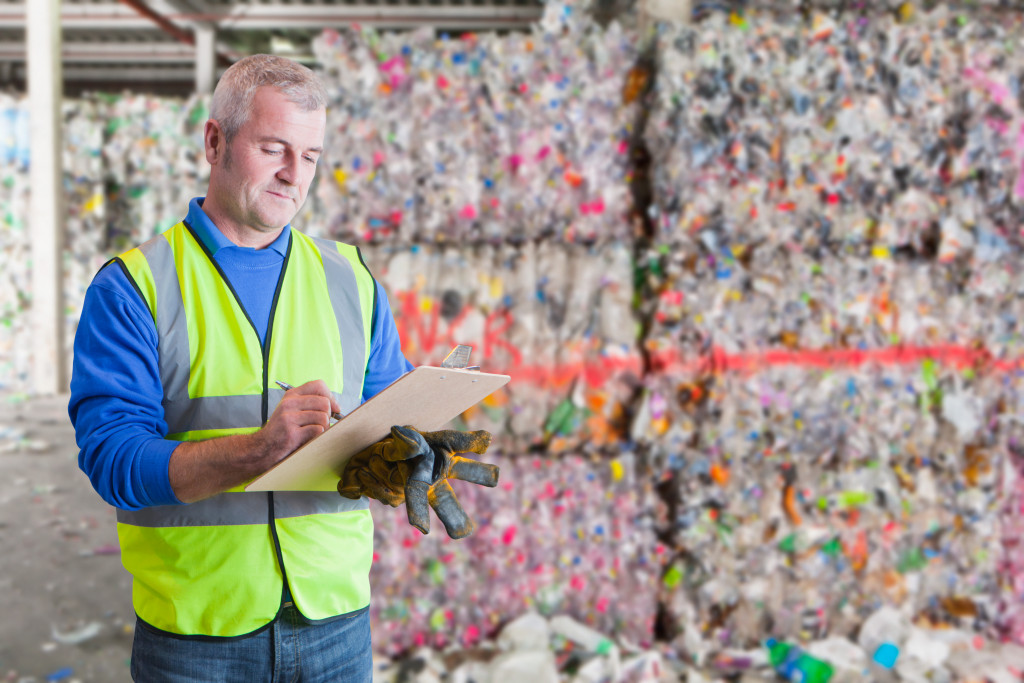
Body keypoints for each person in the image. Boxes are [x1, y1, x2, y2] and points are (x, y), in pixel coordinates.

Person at [68, 54, 414, 682]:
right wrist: (259, 449)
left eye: (310, 156)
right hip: (198, 635)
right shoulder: (135, 288)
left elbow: (393, 407)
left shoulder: (350, 279)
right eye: (274, 148)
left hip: (335, 623)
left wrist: (419, 450)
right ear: (214, 140)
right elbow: (114, 464)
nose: (293, 174)